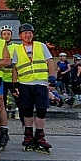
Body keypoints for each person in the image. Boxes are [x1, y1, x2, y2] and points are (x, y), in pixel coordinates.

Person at [11, 23, 55, 153]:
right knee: (27, 111)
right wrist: (14, 85)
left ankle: (40, 136)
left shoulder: (41, 46)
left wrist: (52, 79)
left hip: (40, 83)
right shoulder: (17, 50)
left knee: (41, 110)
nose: (28, 35)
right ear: (20, 36)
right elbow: (14, 68)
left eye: (30, 32)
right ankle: (28, 136)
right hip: (25, 83)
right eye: (25, 33)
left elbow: (49, 61)